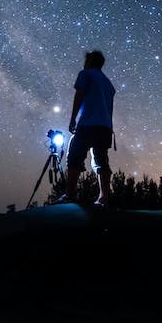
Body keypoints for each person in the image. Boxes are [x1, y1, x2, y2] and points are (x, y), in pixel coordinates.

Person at [58, 50, 116, 206]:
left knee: (75, 155)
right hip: (105, 127)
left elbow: (79, 95)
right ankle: (104, 198)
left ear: (90, 61)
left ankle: (70, 194)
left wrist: (72, 119)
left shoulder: (86, 74)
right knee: (101, 160)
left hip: (88, 124)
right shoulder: (108, 83)